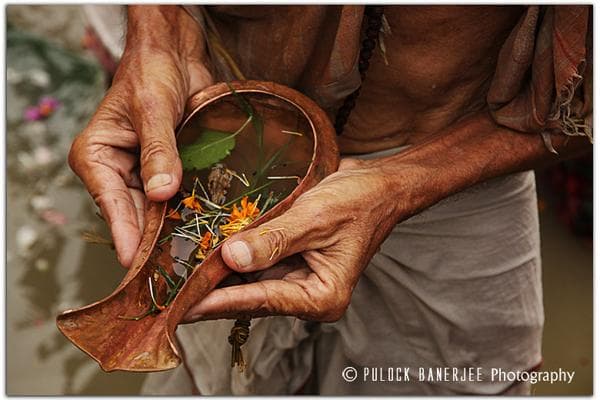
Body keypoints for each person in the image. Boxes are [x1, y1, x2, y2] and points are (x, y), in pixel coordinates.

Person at [69, 5, 592, 395]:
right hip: (222, 140)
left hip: (454, 159)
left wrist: (402, 187)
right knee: (201, 365)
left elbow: (579, 110)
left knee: (455, 377)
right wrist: (157, 38)